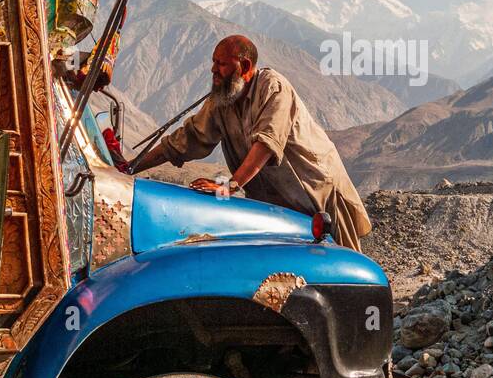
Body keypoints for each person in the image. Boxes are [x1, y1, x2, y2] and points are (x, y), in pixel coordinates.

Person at [128, 35, 372, 251]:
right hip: (276, 206)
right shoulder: (221, 99)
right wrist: (129, 168)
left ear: (244, 66)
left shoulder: (272, 87)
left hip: (317, 193)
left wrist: (229, 186)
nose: (213, 69)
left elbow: (266, 143)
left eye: (221, 63)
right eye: (213, 62)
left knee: (342, 266)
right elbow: (184, 140)